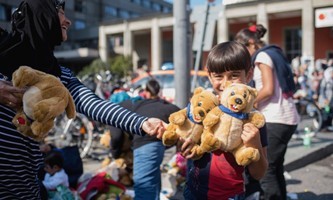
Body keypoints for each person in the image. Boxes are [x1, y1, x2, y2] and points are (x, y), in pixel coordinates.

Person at [0, 0, 165, 199]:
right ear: (42, 14)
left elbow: (93, 104)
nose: (68, 21)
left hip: (23, 187)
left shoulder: (58, 75)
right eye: (60, 12)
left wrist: (142, 122)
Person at [181, 41, 268, 200]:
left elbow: (259, 173)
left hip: (231, 196)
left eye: (234, 75)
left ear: (248, 75)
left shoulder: (253, 119)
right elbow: (183, 144)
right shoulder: (201, 107)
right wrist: (185, 145)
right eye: (219, 76)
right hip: (193, 192)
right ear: (210, 76)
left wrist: (254, 143)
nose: (226, 83)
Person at [235, 24, 299, 200]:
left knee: (266, 168)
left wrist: (250, 103)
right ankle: (281, 196)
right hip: (287, 117)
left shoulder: (261, 57)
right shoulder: (274, 52)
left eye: (243, 49)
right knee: (276, 166)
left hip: (275, 117)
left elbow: (268, 89)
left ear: (250, 43)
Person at [109, 79, 180, 200]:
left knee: (144, 187)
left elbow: (116, 137)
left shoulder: (117, 109)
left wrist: (115, 155)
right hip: (158, 144)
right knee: (152, 180)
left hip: (145, 143)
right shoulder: (165, 105)